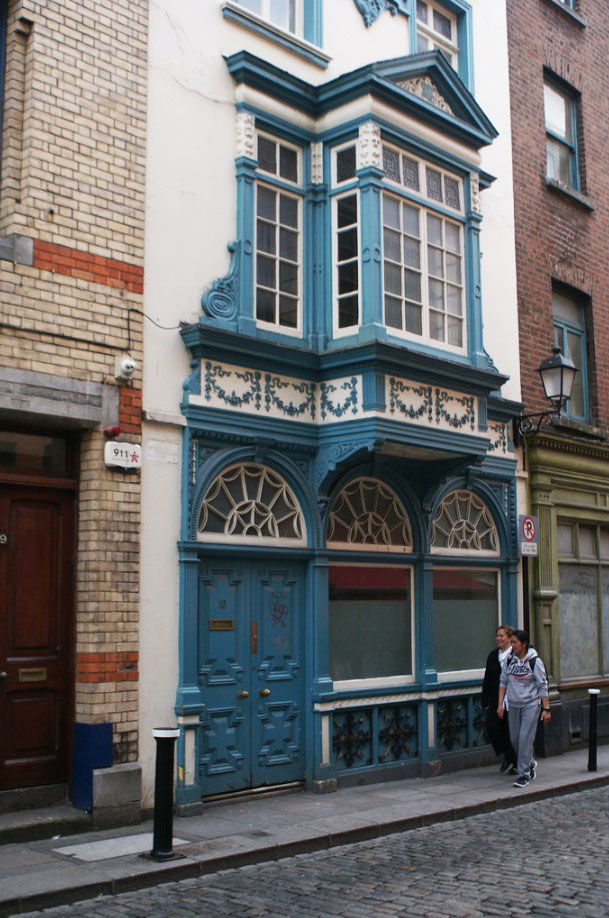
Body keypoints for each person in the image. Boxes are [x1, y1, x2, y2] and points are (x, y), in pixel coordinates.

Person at [497, 629, 551, 788]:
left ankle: (524, 774)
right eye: (511, 642)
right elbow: (503, 682)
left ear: (524, 644)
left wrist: (546, 708)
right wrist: (500, 704)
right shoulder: (509, 660)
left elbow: (542, 686)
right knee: (514, 739)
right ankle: (530, 762)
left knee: (524, 738)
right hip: (513, 704)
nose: (512, 645)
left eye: (514, 642)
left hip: (531, 705)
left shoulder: (535, 661)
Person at [481, 625, 516, 772]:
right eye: (497, 636)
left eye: (502, 636)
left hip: (513, 699)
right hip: (496, 699)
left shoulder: (515, 654)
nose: (498, 638)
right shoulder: (493, 655)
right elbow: (487, 678)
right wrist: (485, 699)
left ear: (509, 638)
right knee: (493, 729)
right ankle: (508, 755)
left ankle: (514, 761)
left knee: (509, 731)